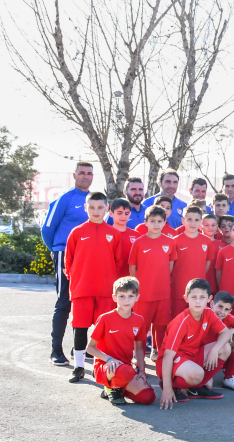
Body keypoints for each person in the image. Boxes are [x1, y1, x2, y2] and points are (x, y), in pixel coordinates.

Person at [63, 190, 125, 382]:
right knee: (80, 329)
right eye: (92, 207)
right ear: (85, 208)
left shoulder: (114, 234)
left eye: (100, 207)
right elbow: (68, 262)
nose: (96, 211)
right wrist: (78, 281)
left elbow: (118, 262)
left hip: (106, 292)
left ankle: (105, 367)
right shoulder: (77, 232)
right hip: (82, 291)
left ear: (107, 208)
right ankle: (79, 366)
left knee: (105, 333)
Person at [42, 161, 95, 365]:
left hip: (88, 256)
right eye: (82, 173)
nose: (85, 176)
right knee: (64, 301)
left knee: (84, 303)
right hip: (65, 253)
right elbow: (47, 229)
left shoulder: (93, 200)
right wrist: (57, 251)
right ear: (74, 175)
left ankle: (79, 348)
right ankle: (56, 350)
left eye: (89, 173)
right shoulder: (64, 199)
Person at [159, 279, 232, 407]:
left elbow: (226, 333)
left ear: (209, 299)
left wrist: (215, 350)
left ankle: (195, 388)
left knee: (225, 348)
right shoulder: (181, 322)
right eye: (194, 297)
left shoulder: (208, 313)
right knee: (197, 374)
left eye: (202, 297)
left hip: (193, 355)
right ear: (186, 298)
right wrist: (167, 389)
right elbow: (167, 356)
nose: (198, 301)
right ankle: (172, 385)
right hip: (174, 358)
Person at [86, 277, 156, 405]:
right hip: (106, 365)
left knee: (148, 397)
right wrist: (109, 359)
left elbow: (139, 348)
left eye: (130, 296)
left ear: (137, 297)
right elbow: (90, 348)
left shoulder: (139, 320)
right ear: (114, 297)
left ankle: (120, 388)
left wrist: (141, 371)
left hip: (125, 368)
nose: (126, 300)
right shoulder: (105, 318)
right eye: (122, 296)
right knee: (126, 371)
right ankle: (110, 387)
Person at [128, 205, 178, 359]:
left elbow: (170, 265)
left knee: (162, 326)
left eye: (159, 221)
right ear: (146, 223)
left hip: (162, 293)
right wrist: (137, 288)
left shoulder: (170, 243)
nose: (156, 224)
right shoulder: (139, 242)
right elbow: (132, 267)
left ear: (164, 223)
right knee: (141, 327)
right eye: (152, 221)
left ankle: (160, 355)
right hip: (144, 294)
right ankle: (138, 357)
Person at [171, 206, 214, 319]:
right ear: (183, 220)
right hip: (179, 290)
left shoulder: (207, 241)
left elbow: (207, 264)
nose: (192, 223)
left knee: (197, 320)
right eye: (189, 219)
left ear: (201, 222)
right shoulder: (175, 241)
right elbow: (170, 267)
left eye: (196, 220)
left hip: (199, 291)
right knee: (177, 319)